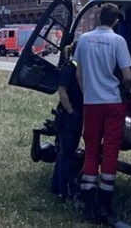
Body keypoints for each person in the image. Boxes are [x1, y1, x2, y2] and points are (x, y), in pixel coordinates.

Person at [75, 3, 131, 224]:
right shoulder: (118, 41)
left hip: (92, 102)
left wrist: (88, 92)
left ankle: (89, 205)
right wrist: (125, 90)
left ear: (99, 18)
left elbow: (79, 74)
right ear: (116, 21)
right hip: (113, 103)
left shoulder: (84, 40)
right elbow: (127, 75)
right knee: (110, 151)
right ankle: (104, 206)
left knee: (90, 150)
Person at [51, 42, 83, 201]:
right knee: (67, 154)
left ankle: (57, 186)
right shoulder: (70, 67)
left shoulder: (78, 66)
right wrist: (71, 112)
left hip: (73, 113)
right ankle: (64, 191)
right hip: (68, 114)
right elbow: (62, 92)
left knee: (66, 152)